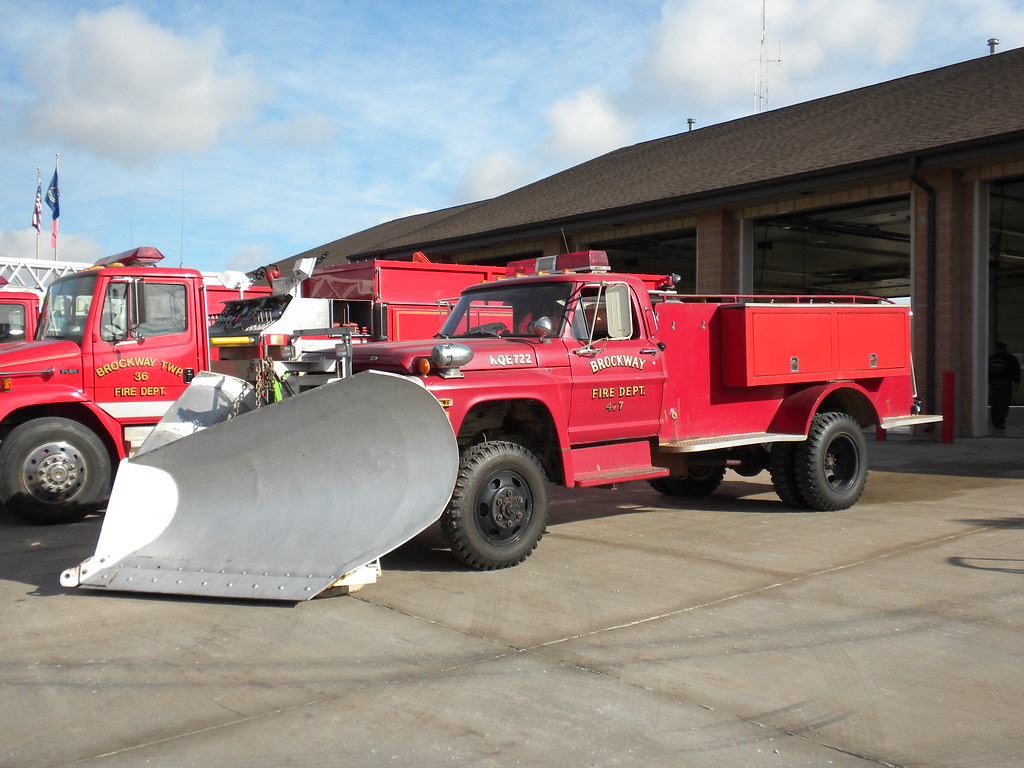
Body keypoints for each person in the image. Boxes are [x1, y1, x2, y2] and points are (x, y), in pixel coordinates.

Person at [988, 341, 1020, 430]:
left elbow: (987, 371)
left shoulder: (991, 358)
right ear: (1005, 349)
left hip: (994, 383)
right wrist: (1017, 382)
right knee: (1003, 403)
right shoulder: (1011, 358)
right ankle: (1000, 423)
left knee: (994, 403)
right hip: (1006, 383)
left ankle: (994, 422)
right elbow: (1016, 370)